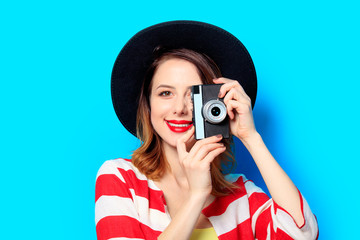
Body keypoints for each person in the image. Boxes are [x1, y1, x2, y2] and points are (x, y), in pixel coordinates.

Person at [95, 21, 319, 240]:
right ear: (148, 105)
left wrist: (251, 137)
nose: (180, 108)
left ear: (214, 103)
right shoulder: (120, 178)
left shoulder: (240, 196)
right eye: (165, 93)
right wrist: (196, 196)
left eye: (194, 95)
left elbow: (302, 234)